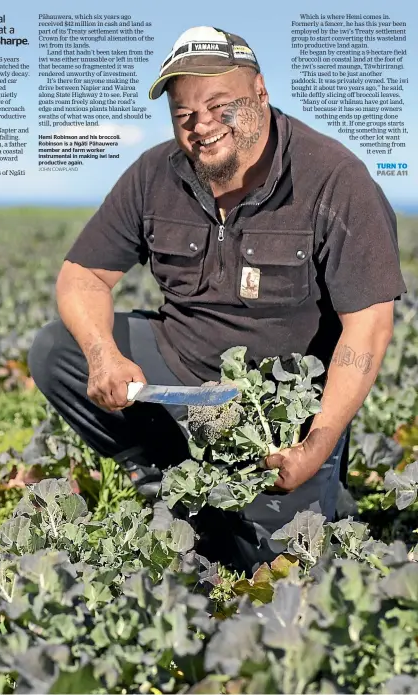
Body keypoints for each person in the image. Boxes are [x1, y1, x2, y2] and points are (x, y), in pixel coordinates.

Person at [27, 26, 407, 574]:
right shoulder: (154, 174)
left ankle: (318, 492)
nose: (200, 125)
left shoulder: (336, 180)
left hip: (277, 414)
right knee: (57, 350)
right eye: (184, 113)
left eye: (218, 104)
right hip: (181, 374)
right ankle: (162, 473)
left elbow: (367, 329)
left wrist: (318, 442)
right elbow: (82, 274)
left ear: (260, 93)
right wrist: (103, 355)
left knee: (276, 567)